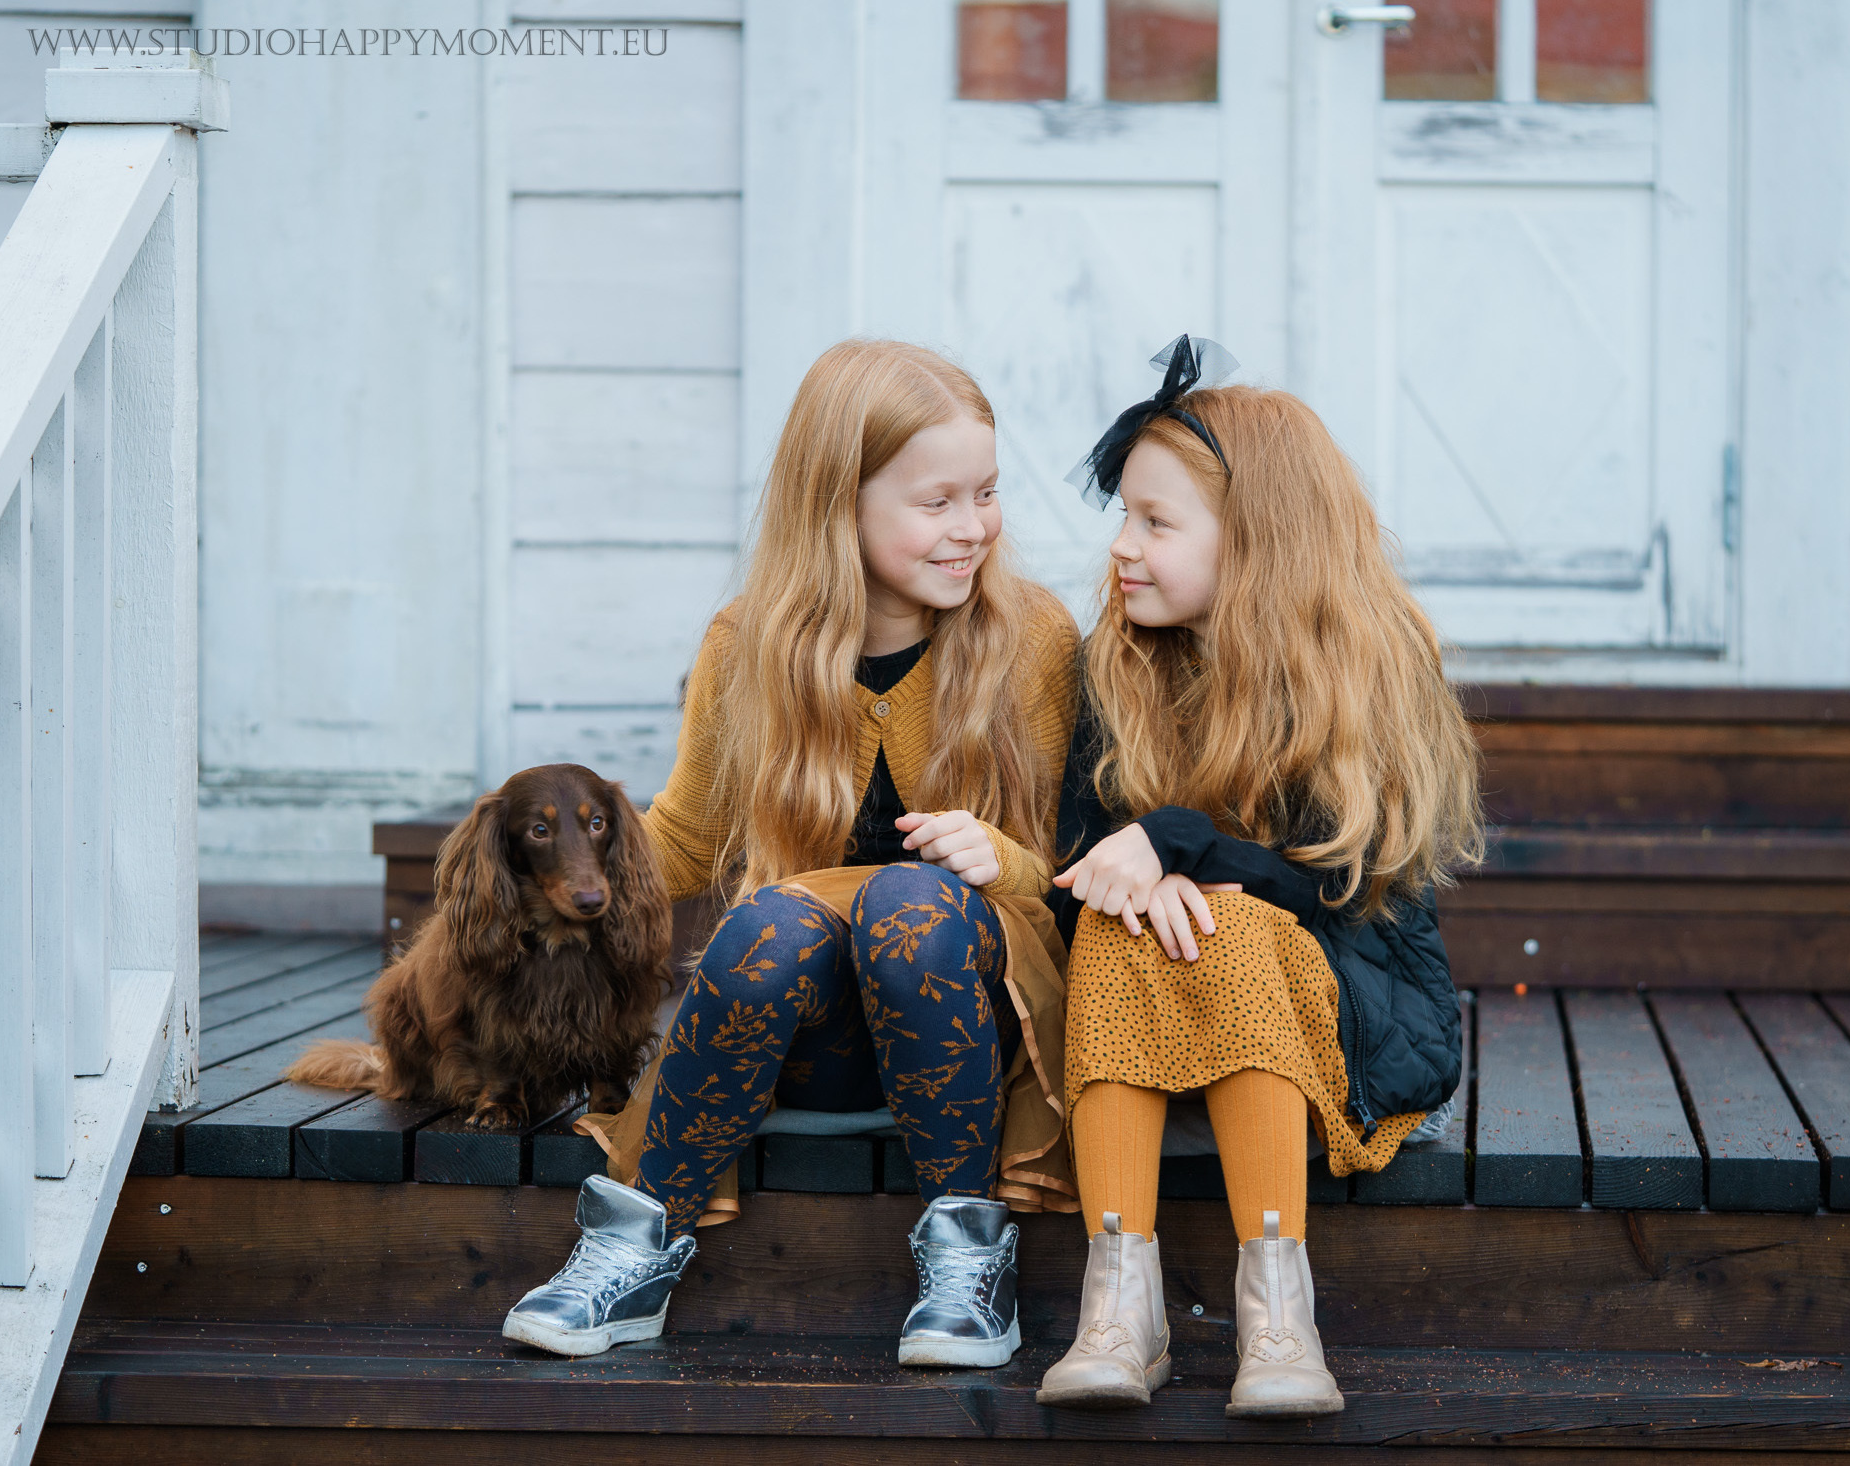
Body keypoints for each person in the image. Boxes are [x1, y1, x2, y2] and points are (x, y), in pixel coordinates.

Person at [501, 339, 1083, 1369]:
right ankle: (634, 1245)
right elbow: (681, 836)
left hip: (980, 1028)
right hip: (805, 1029)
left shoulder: (1031, 638)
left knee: (911, 899)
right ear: (837, 502)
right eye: (937, 500)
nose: (972, 526)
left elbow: (1072, 864)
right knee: (770, 917)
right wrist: (534, 879)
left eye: (985, 493)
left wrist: (1001, 853)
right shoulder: (748, 645)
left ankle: (966, 1258)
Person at [1035, 338, 1481, 1419]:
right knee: (1117, 918)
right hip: (1144, 1011)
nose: (1122, 548)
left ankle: (1279, 1309)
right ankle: (1118, 1303)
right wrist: (1144, 876)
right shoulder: (1115, 663)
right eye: (1124, 517)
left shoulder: (1360, 666)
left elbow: (1339, 886)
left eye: (1155, 521)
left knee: (1229, 924)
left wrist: (1181, 842)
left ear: (1257, 540)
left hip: (1343, 1010)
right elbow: (1073, 871)